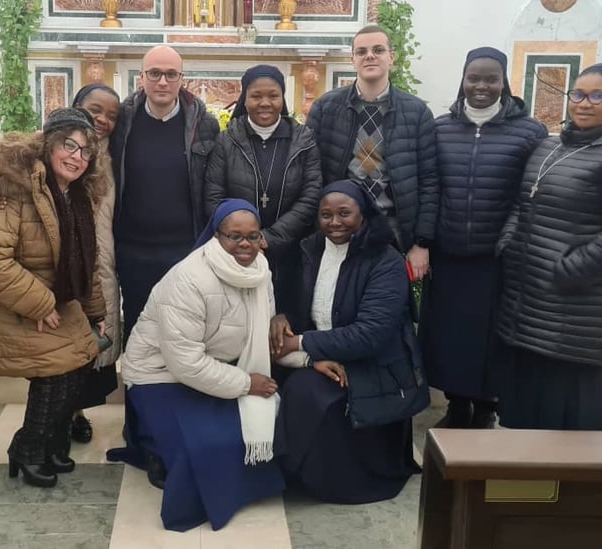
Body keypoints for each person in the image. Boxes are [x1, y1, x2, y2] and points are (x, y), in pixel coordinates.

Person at [108, 199, 285, 532]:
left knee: (250, 433)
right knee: (203, 448)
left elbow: (263, 331)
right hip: (159, 375)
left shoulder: (261, 271)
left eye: (252, 236)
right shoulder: (189, 278)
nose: (244, 244)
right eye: (234, 236)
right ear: (216, 236)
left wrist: (304, 350)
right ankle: (158, 452)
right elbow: (184, 363)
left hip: (215, 370)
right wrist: (247, 383)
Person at [0, 108, 106, 487]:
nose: (77, 157)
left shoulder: (77, 195)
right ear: (47, 144)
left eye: (85, 151)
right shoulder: (14, 190)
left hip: (54, 300)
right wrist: (40, 304)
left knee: (81, 360)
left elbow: (87, 262)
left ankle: (48, 442)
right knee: (59, 366)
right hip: (13, 306)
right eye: (68, 145)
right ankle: (28, 447)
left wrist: (96, 313)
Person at [271, 181, 424, 504]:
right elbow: (286, 293)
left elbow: (370, 334)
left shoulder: (386, 260)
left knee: (308, 394)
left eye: (344, 214)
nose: (334, 222)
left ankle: (327, 480)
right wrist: (280, 315)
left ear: (364, 216)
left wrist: (301, 343)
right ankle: (286, 472)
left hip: (375, 365)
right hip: (321, 352)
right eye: (326, 215)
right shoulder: (309, 248)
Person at [419, 47, 547, 428]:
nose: (481, 86)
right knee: (451, 335)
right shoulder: (440, 128)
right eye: (473, 77)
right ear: (463, 79)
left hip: (498, 255)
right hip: (449, 252)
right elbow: (432, 187)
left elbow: (529, 194)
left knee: (491, 336)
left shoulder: (529, 131)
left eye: (491, 78)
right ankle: (457, 406)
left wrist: (508, 240)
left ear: (504, 81)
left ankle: (488, 407)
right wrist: (427, 239)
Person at [496, 63, 602, 430]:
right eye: (578, 94)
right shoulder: (548, 146)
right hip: (526, 302)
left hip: (576, 311)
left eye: (596, 96)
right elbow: (520, 202)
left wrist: (572, 268)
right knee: (527, 408)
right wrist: (508, 242)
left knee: (566, 420)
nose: (584, 103)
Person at [306, 24, 438, 281]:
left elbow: (430, 181)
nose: (370, 56)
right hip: (340, 231)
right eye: (362, 51)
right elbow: (311, 173)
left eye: (378, 50)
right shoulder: (326, 108)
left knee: (387, 309)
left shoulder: (416, 112)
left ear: (392, 57)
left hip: (394, 234)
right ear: (352, 59)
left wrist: (421, 243)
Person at [111, 45, 219, 345]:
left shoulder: (203, 123)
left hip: (185, 250)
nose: (162, 82)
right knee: (137, 330)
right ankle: (136, 392)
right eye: (155, 73)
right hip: (133, 250)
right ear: (141, 78)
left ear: (181, 79)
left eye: (171, 74)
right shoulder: (121, 122)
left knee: (183, 331)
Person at [204, 64, 321, 315]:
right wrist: (241, 239)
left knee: (284, 324)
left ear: (283, 98)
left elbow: (311, 195)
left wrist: (271, 237)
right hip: (237, 253)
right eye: (256, 96)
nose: (265, 103)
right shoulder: (227, 140)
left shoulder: (303, 139)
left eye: (273, 95)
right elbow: (214, 194)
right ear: (244, 99)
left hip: (290, 251)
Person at [69, 84, 121, 444]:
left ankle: (75, 413)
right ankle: (52, 421)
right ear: (76, 106)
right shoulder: (50, 148)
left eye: (111, 115)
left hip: (103, 262)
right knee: (62, 343)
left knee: (92, 339)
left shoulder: (114, 155)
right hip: (62, 263)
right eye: (94, 110)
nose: (102, 120)